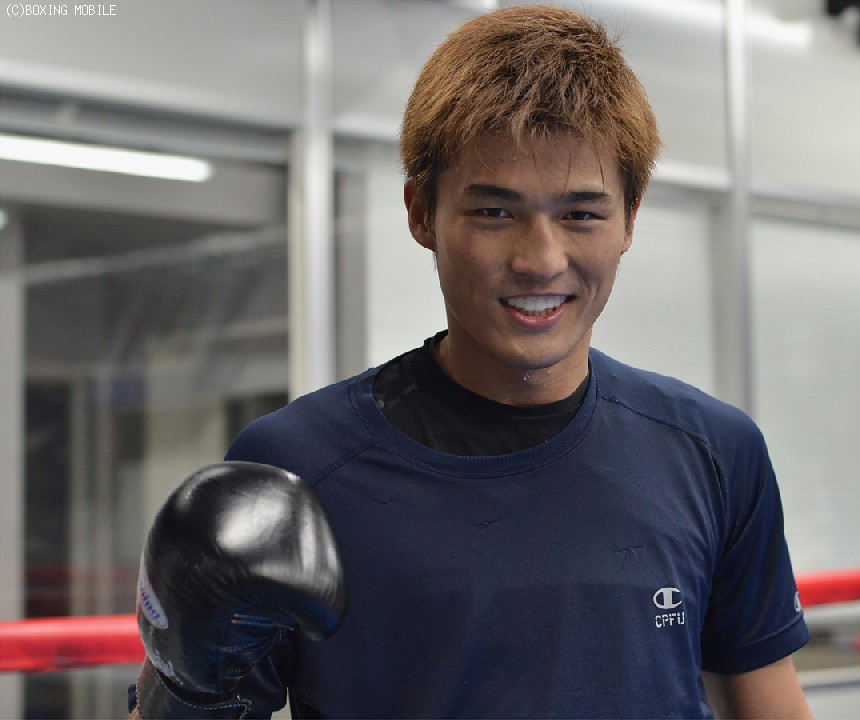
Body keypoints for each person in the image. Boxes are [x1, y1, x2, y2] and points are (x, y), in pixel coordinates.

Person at [129, 4, 812, 718]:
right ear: (421, 213)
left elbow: (769, 702)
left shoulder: (714, 451)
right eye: (494, 212)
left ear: (630, 220)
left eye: (581, 214)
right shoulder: (297, 466)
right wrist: (185, 677)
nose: (540, 260)